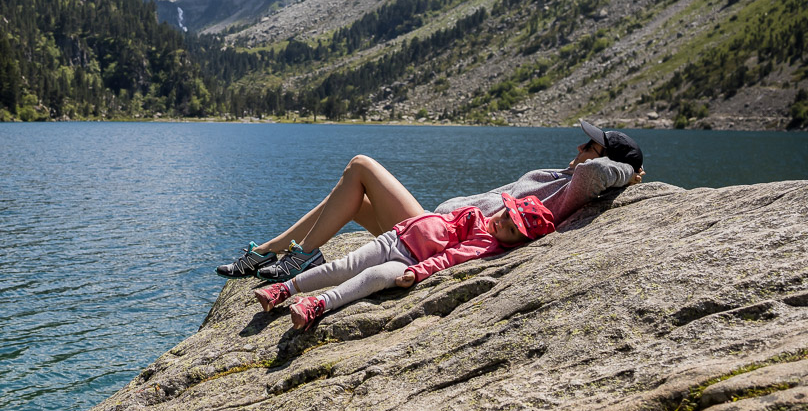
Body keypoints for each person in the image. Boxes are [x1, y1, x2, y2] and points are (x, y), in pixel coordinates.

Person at [217, 119, 644, 282]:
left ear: (605, 160)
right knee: (348, 195)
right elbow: (589, 166)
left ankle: (300, 257)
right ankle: (273, 251)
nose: (581, 146)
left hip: (439, 237)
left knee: (361, 165)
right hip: (434, 226)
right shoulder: (563, 175)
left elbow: (597, 173)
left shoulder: (578, 185)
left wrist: (630, 171)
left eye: (591, 144)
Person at [253, 193, 556, 330]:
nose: (503, 225)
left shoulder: (486, 244)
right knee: (344, 266)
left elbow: (450, 258)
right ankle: (285, 288)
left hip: (409, 260)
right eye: (506, 217)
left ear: (519, 241)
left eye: (513, 231)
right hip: (394, 239)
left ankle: (318, 304)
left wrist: (416, 271)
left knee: (375, 278)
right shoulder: (476, 214)